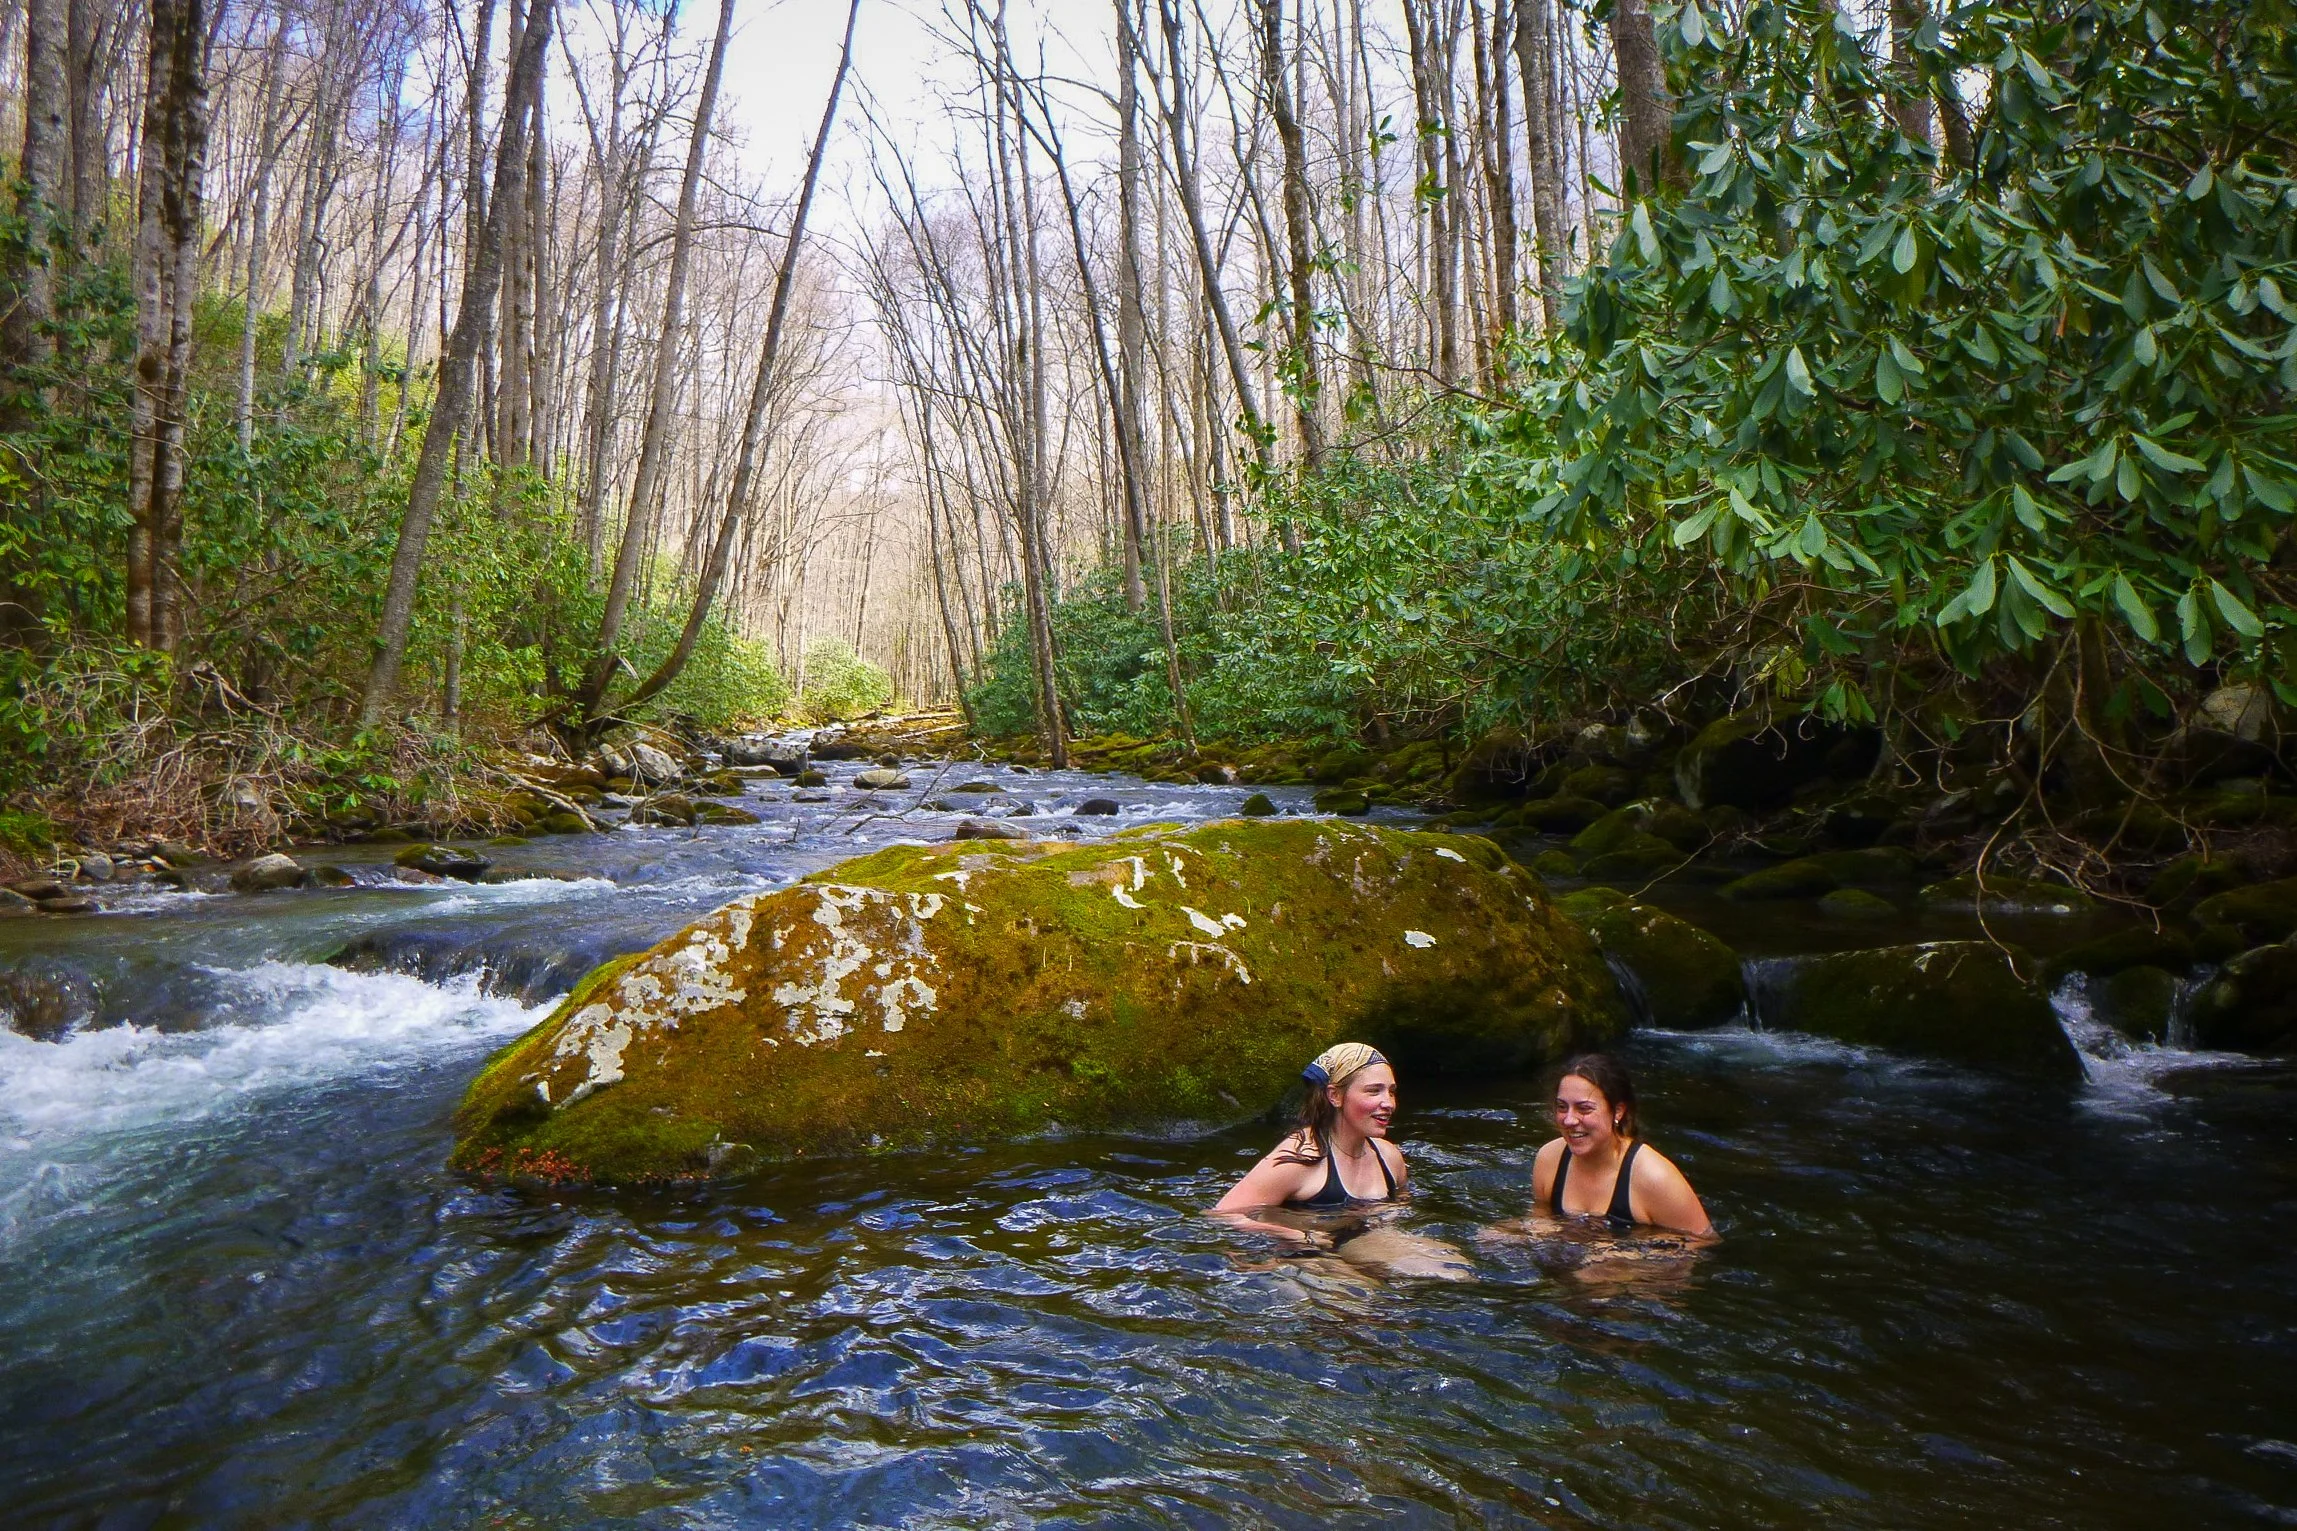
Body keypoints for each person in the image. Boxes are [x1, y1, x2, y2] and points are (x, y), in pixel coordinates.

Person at [1530, 1053, 1714, 1239]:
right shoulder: (1550, 1158)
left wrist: (1627, 1260)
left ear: (1618, 1111)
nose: (1569, 1120)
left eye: (1584, 1108)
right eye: (1562, 1107)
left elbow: (1702, 1243)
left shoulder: (1654, 1177)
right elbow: (1541, 1217)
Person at [1216, 1042, 1408, 1216]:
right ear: (1335, 1096)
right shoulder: (1299, 1157)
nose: (1389, 1103)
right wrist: (1299, 1236)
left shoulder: (1390, 1159)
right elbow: (1224, 1215)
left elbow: (1400, 1215)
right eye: (1374, 1091)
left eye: (1391, 1092)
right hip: (1313, 1252)